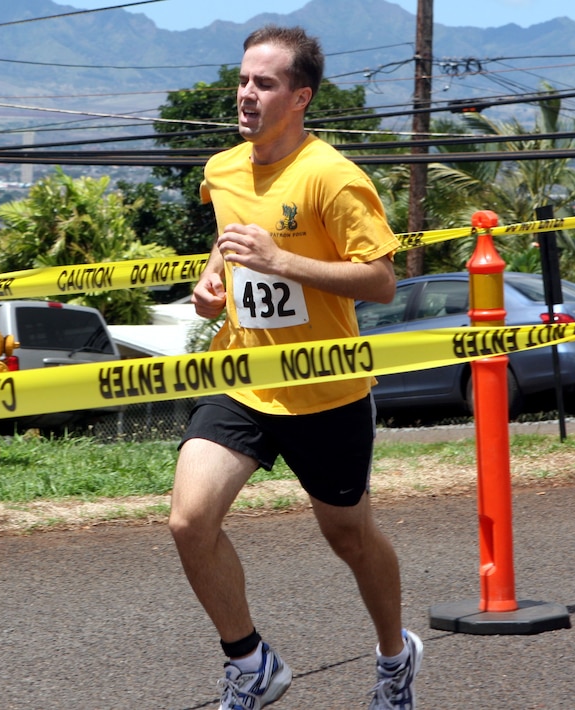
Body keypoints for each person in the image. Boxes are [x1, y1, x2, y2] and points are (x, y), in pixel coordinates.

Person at [168, 25, 423, 710]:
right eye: (244, 80)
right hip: (243, 380)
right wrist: (209, 283)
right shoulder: (223, 168)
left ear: (301, 97)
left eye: (265, 84)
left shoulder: (333, 178)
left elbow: (379, 281)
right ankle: (249, 661)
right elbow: (230, 243)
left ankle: (396, 656)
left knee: (348, 535)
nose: (247, 95)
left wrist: (281, 262)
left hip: (326, 389)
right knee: (189, 520)